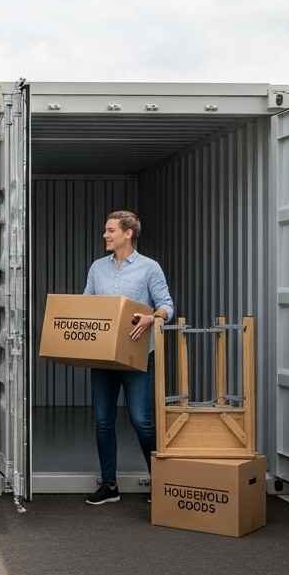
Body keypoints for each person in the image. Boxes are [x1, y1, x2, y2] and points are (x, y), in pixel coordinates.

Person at [83, 210, 174, 505]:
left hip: (136, 357)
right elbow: (86, 305)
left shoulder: (149, 268)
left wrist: (152, 318)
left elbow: (166, 306)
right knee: (102, 421)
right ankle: (109, 485)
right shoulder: (97, 268)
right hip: (103, 358)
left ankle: (161, 482)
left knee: (142, 420)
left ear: (128, 233)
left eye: (110, 231)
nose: (105, 235)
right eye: (105, 230)